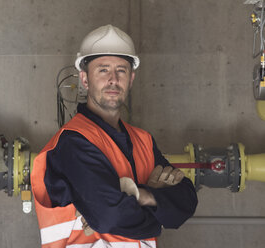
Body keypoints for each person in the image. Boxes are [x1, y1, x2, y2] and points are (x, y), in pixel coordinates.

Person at [31, 24, 198, 248]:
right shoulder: (72, 142)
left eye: (121, 70)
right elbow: (109, 216)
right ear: (85, 79)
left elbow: (187, 201)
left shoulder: (143, 141)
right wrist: (157, 215)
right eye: (103, 70)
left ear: (131, 79)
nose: (113, 79)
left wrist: (140, 196)